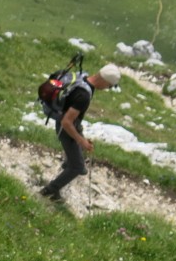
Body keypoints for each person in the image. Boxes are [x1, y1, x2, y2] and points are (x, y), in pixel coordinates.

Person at [40, 63, 121, 202]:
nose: (107, 88)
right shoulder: (83, 95)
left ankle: (66, 169)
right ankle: (50, 191)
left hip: (72, 124)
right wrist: (81, 140)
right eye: (109, 86)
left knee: (77, 163)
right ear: (105, 81)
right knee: (78, 167)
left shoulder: (83, 77)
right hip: (65, 128)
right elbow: (66, 122)